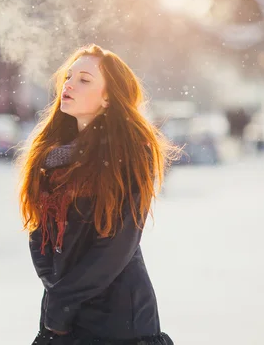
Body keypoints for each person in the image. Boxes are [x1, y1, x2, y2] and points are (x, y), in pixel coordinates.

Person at [17, 44, 177, 345]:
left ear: (108, 97)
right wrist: (55, 291)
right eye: (69, 76)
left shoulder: (129, 153)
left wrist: (62, 299)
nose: (69, 84)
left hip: (116, 318)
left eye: (84, 80)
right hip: (63, 315)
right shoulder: (51, 156)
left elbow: (118, 244)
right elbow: (40, 231)